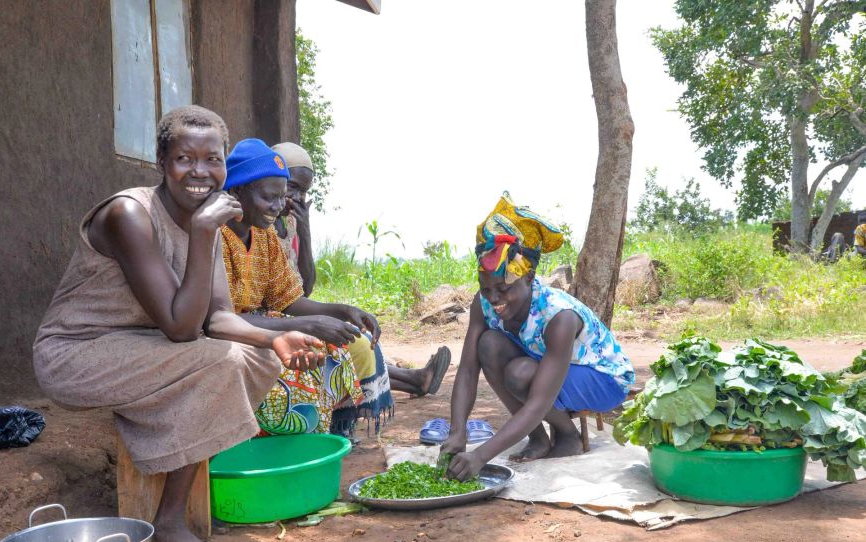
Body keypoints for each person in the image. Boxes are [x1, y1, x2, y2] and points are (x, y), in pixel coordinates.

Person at [33, 106, 323, 542]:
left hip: (143, 348)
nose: (201, 172)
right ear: (161, 162)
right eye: (186, 159)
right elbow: (183, 327)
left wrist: (275, 340)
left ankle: (166, 463)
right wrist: (205, 231)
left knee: (256, 359)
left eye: (213, 160)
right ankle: (168, 525)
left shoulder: (202, 220)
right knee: (221, 361)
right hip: (77, 354)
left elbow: (220, 318)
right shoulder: (130, 214)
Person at [220, 139, 450, 436]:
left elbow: (289, 297)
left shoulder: (262, 237)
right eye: (270, 198)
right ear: (238, 191)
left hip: (267, 327)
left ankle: (332, 435)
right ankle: (285, 451)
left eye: (282, 197)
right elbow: (221, 318)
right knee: (300, 375)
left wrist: (343, 311)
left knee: (340, 351)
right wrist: (310, 323)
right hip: (233, 339)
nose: (279, 207)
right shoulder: (216, 236)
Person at [440, 193, 635, 481]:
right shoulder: (483, 305)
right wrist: (458, 433)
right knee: (489, 345)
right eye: (486, 289)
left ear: (529, 279)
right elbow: (468, 369)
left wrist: (481, 456)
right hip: (551, 370)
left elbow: (539, 400)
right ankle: (539, 437)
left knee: (520, 374)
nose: (494, 298)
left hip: (602, 378)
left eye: (504, 289)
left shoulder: (559, 316)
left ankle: (567, 436)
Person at [270, 141, 452, 397]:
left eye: (304, 192)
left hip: (291, 309)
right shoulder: (258, 223)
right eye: (293, 188)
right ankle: (414, 379)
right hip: (271, 319)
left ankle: (415, 379)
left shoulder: (289, 223)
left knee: (354, 337)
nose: (297, 198)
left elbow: (306, 288)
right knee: (346, 343)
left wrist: (304, 230)